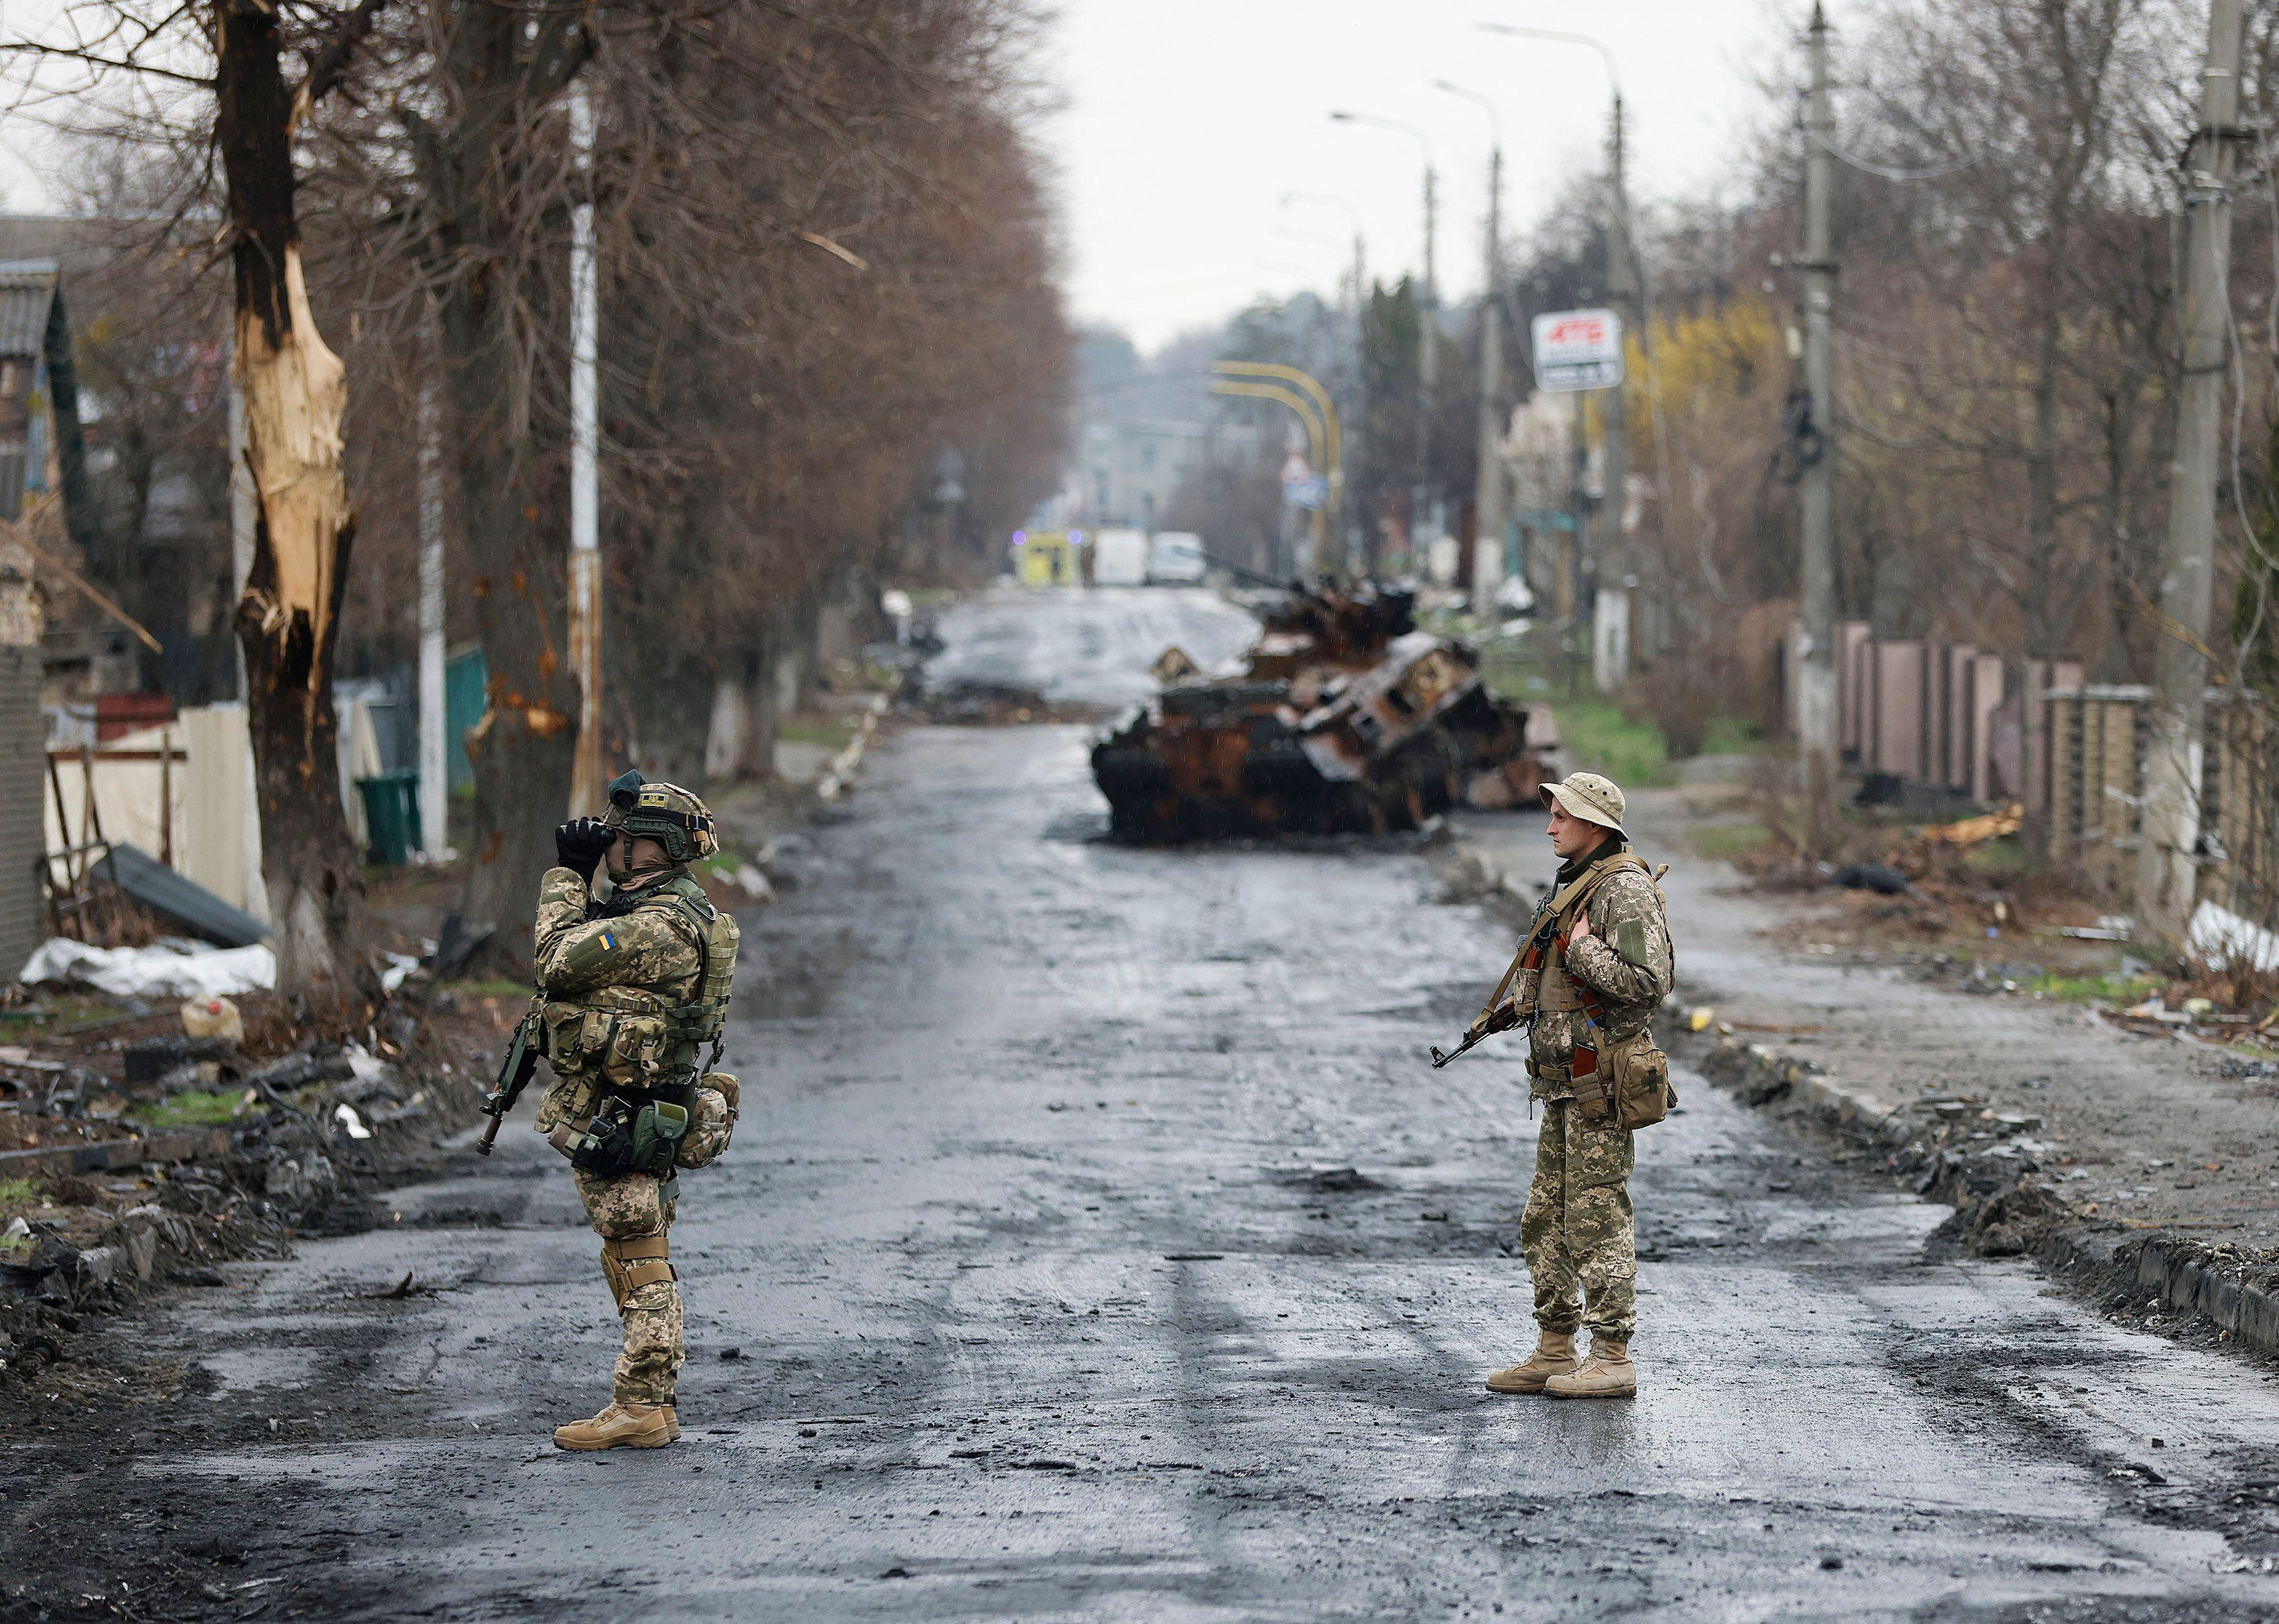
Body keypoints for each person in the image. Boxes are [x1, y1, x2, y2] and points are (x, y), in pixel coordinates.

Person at [533, 770, 741, 1450]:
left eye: (618, 838)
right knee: (632, 1251)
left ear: (649, 848)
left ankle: (641, 1404)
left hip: (627, 1114)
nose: (608, 845)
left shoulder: (657, 927)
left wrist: (568, 875)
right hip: (643, 1105)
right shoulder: (667, 912)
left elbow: (556, 961)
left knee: (639, 1252)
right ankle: (653, 1401)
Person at [1476, 771, 1673, 1401]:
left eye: (1561, 816)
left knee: (1595, 1216)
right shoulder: (1576, 886)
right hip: (1562, 1081)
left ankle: (1611, 1355)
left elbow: (1649, 981)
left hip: (1601, 1080)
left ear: (1594, 824)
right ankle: (1553, 1348)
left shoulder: (1624, 890)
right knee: (1547, 1218)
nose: (1549, 826)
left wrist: (1585, 952)